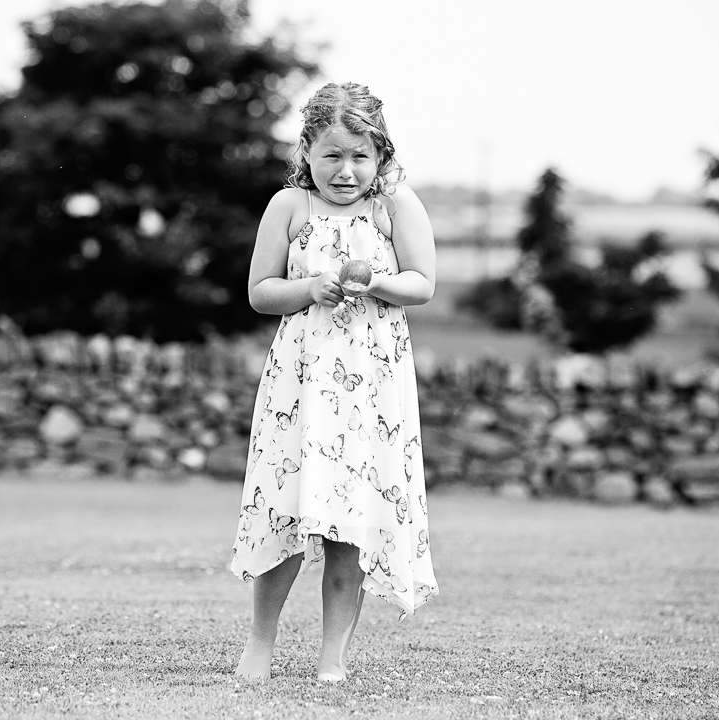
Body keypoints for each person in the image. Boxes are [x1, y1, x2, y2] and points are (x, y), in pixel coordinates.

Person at [229, 82, 438, 682]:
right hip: (302, 380)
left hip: (372, 384)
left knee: (350, 519)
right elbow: (260, 292)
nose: (346, 171)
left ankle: (332, 661)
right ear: (308, 152)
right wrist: (309, 289)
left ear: (380, 155)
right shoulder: (288, 207)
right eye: (332, 155)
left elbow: (422, 283)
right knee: (285, 509)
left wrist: (373, 281)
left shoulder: (397, 206)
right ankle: (259, 647)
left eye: (360, 156)